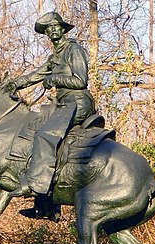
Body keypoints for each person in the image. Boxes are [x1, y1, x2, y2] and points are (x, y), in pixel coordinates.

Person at [7, 12, 95, 210]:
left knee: (46, 134)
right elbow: (34, 76)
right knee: (32, 129)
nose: (53, 30)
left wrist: (54, 79)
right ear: (46, 33)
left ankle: (38, 188)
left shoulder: (74, 50)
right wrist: (12, 84)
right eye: (49, 28)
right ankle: (45, 204)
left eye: (56, 26)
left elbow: (81, 80)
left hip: (78, 103)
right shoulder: (54, 57)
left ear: (63, 29)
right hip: (63, 104)